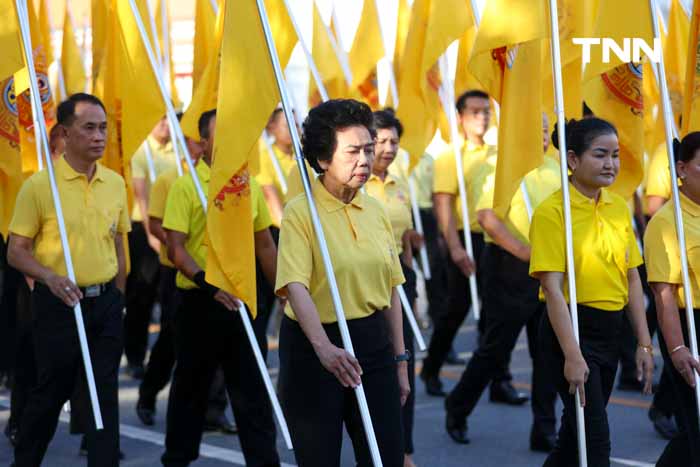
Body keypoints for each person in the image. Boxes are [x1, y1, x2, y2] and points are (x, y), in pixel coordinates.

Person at [276, 99, 410, 467]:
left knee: (386, 457)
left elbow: (392, 290)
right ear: (323, 159)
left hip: (372, 344)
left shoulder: (376, 210)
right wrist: (324, 349)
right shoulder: (301, 213)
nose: (365, 160)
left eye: (369, 149)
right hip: (315, 348)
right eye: (352, 152)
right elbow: (295, 286)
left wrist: (399, 361)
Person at [8, 93, 129, 466]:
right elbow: (16, 250)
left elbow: (119, 243)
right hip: (59, 303)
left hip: (105, 303)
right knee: (51, 391)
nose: (99, 136)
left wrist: (119, 294)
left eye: (103, 128)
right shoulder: (41, 187)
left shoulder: (115, 182)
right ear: (64, 133)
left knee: (102, 393)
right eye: (89, 128)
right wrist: (50, 278)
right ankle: (25, 460)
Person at [530, 118, 654, 466]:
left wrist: (644, 343)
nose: (610, 164)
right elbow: (552, 289)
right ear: (572, 160)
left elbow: (632, 278)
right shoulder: (552, 212)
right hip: (570, 330)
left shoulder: (618, 206)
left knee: (574, 438)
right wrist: (572, 354)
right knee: (596, 443)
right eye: (600, 155)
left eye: (614, 155)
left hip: (610, 330)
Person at [160, 109, 280, 466]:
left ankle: (264, 461)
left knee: (252, 392)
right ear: (203, 142)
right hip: (199, 302)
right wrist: (207, 284)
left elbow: (265, 246)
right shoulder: (185, 187)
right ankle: (177, 458)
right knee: (190, 388)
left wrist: (284, 295)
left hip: (243, 301)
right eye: (220, 136)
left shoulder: (251, 187)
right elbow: (175, 247)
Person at [444, 114, 558, 450]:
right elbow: (487, 217)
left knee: (547, 352)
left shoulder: (554, 169)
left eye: (544, 129)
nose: (540, 134)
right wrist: (523, 250)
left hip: (549, 268)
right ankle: (458, 405)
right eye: (532, 128)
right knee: (496, 348)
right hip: (510, 266)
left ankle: (544, 429)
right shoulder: (499, 167)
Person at [424, 90, 528, 406]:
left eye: (486, 111)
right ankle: (431, 369)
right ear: (459, 117)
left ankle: (501, 380)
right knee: (456, 310)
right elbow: (443, 203)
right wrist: (454, 249)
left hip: (494, 241)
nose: (482, 117)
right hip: (465, 237)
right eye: (474, 111)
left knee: (496, 315)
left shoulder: (500, 154)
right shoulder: (450, 156)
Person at [366, 109, 422, 467]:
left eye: (393, 142)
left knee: (404, 360)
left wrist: (411, 243)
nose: (387, 148)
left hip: (400, 277)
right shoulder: (355, 185)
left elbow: (404, 236)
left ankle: (403, 451)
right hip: (367, 280)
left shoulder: (400, 184)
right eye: (380, 141)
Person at [645, 132, 700, 467]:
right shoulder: (667, 222)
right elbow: (664, 293)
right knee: (696, 424)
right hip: (690, 325)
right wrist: (678, 350)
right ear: (681, 168)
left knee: (694, 434)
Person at [124, 115, 180, 379]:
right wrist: (151, 234)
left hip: (174, 228)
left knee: (169, 296)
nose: (166, 125)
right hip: (145, 230)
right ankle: (135, 356)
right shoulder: (142, 149)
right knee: (141, 295)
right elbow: (141, 195)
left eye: (169, 120)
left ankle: (165, 359)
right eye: (160, 120)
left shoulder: (178, 148)